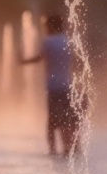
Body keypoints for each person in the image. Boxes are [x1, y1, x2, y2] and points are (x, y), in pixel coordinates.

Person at [20, 13, 75, 155]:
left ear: (51, 26)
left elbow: (38, 58)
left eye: (45, 25)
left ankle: (52, 150)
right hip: (67, 86)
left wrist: (23, 61)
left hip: (53, 87)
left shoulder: (48, 42)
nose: (44, 28)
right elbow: (76, 63)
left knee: (52, 121)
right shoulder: (68, 40)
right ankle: (68, 148)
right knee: (66, 118)